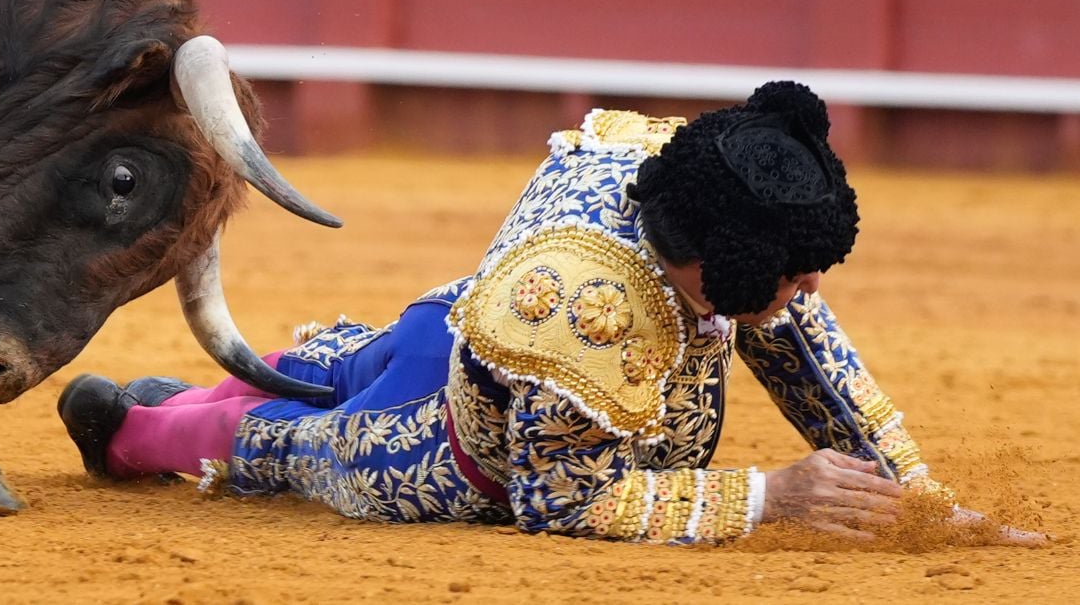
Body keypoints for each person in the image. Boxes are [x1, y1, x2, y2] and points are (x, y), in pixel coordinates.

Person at [57, 82, 1044, 544]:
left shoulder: (676, 173)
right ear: (726, 260)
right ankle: (133, 432)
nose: (810, 290)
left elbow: (798, 343)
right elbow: (559, 498)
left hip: (460, 321)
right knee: (288, 439)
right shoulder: (595, 306)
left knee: (351, 356)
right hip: (446, 451)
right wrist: (770, 496)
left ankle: (182, 395)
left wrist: (914, 493)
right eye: (795, 272)